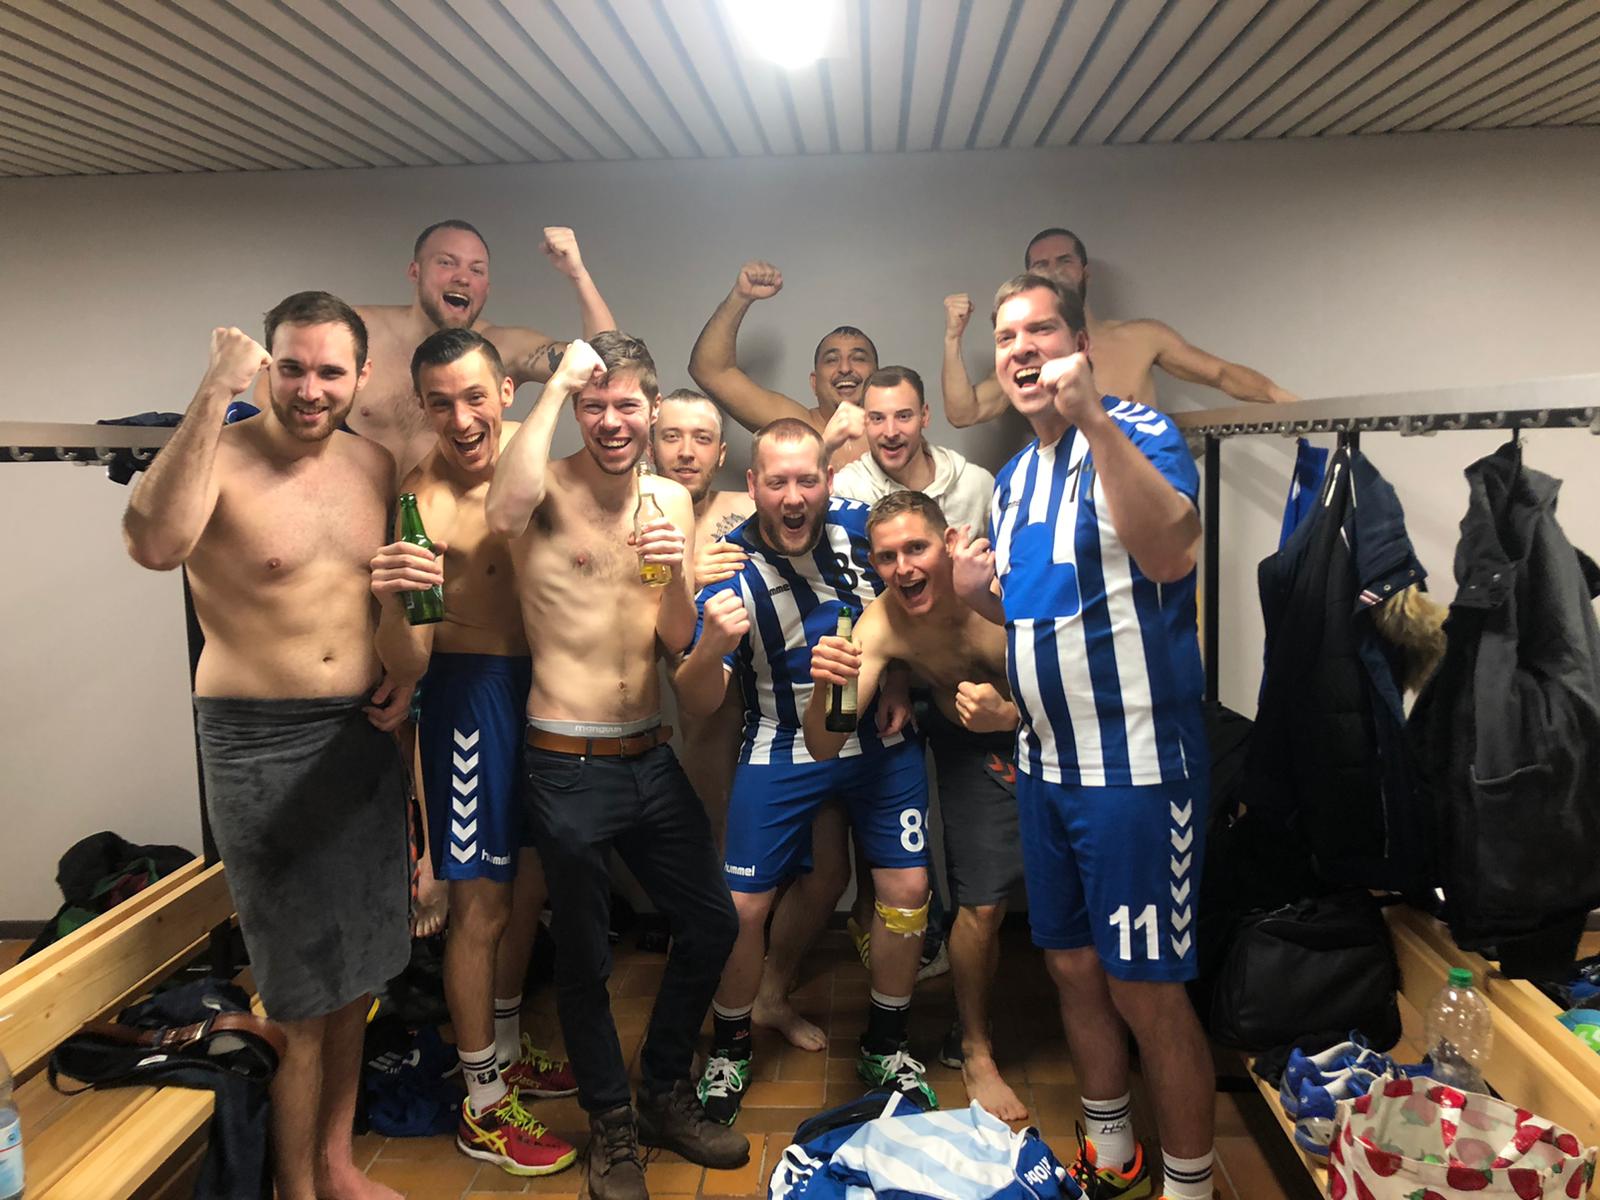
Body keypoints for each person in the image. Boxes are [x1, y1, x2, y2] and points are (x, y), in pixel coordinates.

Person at [122, 293, 411, 1200]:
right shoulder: (218, 454)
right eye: (292, 368)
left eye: (330, 371)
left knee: (360, 968)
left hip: (361, 734)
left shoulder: (375, 463)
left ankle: (335, 1163)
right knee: (297, 990)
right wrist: (214, 390)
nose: (310, 389)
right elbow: (154, 544)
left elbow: (390, 602)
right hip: (258, 742)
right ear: (266, 367)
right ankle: (295, 1186)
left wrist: (405, 674)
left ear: (362, 376)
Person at [953, 274, 1214, 1200]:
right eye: (1005, 337)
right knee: (1069, 967)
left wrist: (1095, 421)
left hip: (1135, 770)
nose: (1020, 349)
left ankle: (1190, 1187)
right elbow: (1040, 613)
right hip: (1043, 766)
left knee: (1146, 989)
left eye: (1040, 331)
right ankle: (1112, 1158)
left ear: (1081, 345)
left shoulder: (1139, 431)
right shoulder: (1015, 480)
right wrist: (976, 593)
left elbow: (1169, 552)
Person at [484, 332, 748, 1200]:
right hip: (566, 759)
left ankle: (663, 1091)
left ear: (651, 410)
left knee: (711, 923)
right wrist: (558, 382)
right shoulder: (544, 489)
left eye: (626, 404)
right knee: (586, 956)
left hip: (647, 752)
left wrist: (676, 577)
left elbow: (675, 636)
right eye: (593, 404)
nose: (609, 420)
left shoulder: (669, 496)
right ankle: (611, 1128)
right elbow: (501, 512)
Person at [674, 419, 936, 1127]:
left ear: (829, 480)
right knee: (741, 907)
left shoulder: (862, 529)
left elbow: (913, 605)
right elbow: (697, 700)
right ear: (753, 485)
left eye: (808, 480)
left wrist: (899, 677)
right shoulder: (727, 566)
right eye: (778, 482)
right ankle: (730, 1047)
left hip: (878, 738)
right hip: (781, 741)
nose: (794, 498)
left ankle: (886, 1045)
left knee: (907, 889)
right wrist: (711, 647)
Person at [368, 328, 578, 1178]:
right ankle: (482, 1103)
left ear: (505, 395)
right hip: (470, 697)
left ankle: (508, 1048)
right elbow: (408, 650)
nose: (461, 419)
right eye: (441, 403)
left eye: (474, 397)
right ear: (422, 407)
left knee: (527, 886)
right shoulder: (420, 500)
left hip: (547, 686)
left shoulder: (534, 458)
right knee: (479, 905)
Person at [802, 490, 1027, 1122]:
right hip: (972, 748)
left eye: (916, 548)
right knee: (982, 902)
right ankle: (976, 1049)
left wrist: (1012, 714)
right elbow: (825, 743)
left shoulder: (1000, 582)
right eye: (887, 556)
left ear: (949, 543)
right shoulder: (882, 624)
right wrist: (827, 690)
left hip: (1057, 732)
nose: (902, 568)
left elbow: (1080, 671)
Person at [942, 226, 1297, 427]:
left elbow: (1220, 374)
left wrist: (1283, 399)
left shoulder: (1143, 337)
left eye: (1064, 261)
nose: (1054, 271)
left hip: (1145, 498)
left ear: (1084, 272)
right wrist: (953, 338)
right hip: (1073, 501)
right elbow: (963, 412)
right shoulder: (1027, 360)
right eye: (1041, 265)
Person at [343, 221, 617, 479]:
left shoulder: (499, 349)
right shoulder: (358, 331)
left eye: (476, 270)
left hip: (447, 510)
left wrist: (578, 274)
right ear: (415, 271)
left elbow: (607, 362)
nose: (463, 278)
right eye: (446, 263)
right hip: (357, 505)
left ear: (486, 288)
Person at [652, 389, 753, 844]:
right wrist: (687, 577)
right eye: (672, 436)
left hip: (779, 708)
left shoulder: (751, 508)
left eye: (702, 438)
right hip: (698, 718)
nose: (687, 452)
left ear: (721, 452)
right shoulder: (635, 518)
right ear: (651, 446)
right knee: (711, 834)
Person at [688, 259, 878, 466]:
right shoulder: (798, 427)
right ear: (814, 382)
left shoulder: (897, 433)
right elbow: (710, 370)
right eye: (832, 360)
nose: (845, 368)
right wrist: (740, 297)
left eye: (858, 358)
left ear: (878, 378)